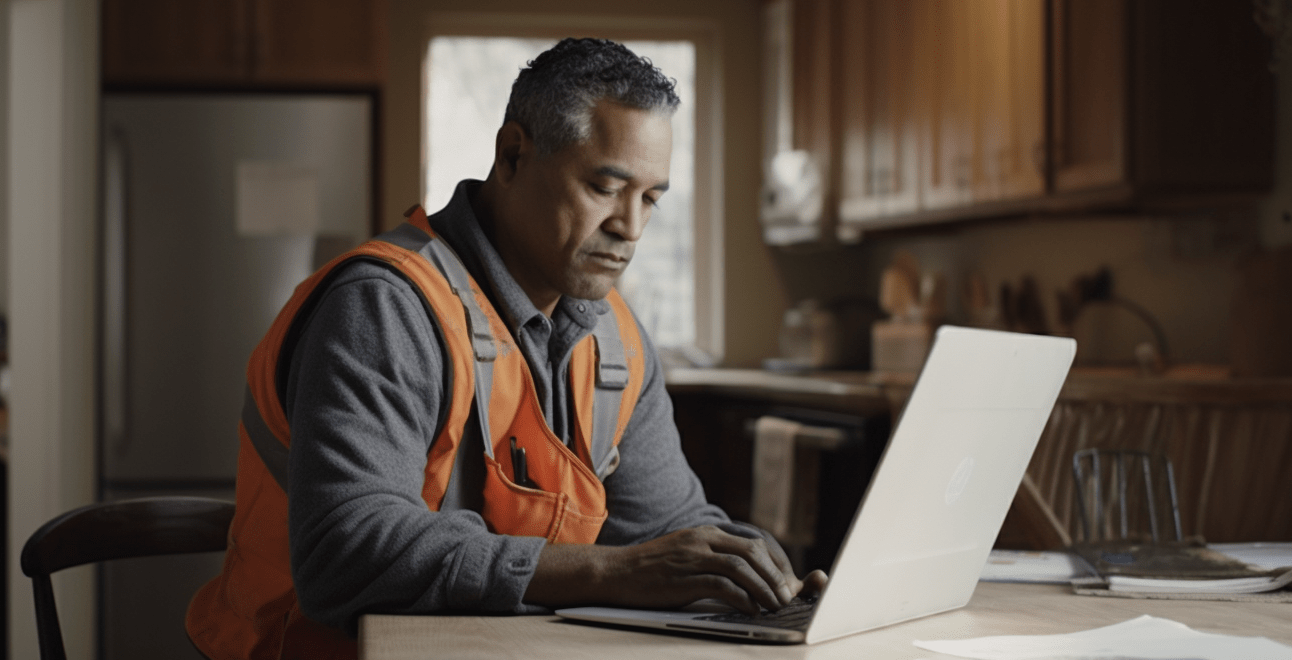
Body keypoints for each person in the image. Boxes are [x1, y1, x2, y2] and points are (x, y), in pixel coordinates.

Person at [186, 38, 824, 660]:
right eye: (606, 187)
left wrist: (751, 572)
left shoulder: (617, 341)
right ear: (513, 155)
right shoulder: (384, 307)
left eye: (650, 199)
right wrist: (613, 572)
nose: (631, 228)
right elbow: (346, 558)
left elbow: (667, 533)